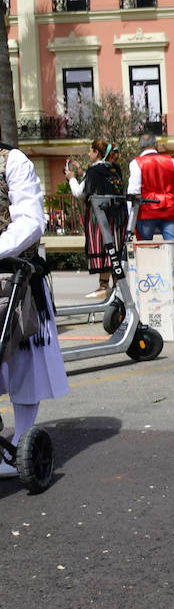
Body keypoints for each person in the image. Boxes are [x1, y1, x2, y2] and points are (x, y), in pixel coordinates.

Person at [0, 144, 70, 480]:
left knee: (24, 363)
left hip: (15, 280)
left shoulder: (12, 161)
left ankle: (19, 440)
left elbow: (31, 220)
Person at [65, 140, 127, 299]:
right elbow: (98, 183)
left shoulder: (93, 171)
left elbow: (80, 192)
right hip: (118, 216)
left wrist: (72, 178)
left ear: (98, 153)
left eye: (91, 151)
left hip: (100, 215)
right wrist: (81, 172)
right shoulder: (114, 169)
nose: (88, 153)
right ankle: (117, 285)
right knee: (115, 248)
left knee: (103, 246)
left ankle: (103, 286)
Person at [127, 133, 174, 240]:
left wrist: (131, 215)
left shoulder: (136, 163)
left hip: (147, 211)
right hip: (169, 209)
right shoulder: (171, 161)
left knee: (145, 247)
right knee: (172, 246)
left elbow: (133, 191)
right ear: (156, 145)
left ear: (140, 146)